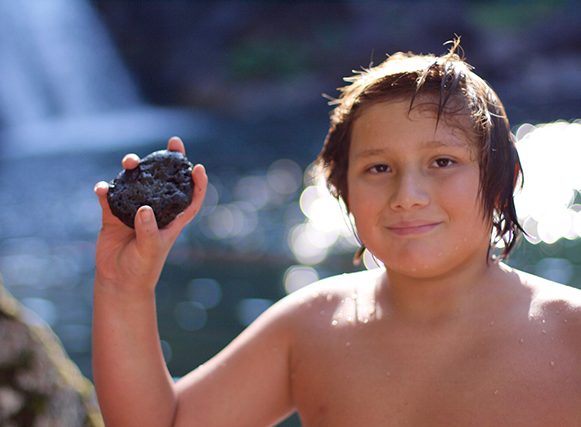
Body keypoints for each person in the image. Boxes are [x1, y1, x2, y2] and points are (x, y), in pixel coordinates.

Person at [92, 40, 581, 426]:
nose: (407, 194)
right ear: (340, 189)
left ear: (504, 179)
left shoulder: (570, 334)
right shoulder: (310, 327)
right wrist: (124, 287)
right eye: (379, 167)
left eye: (442, 162)